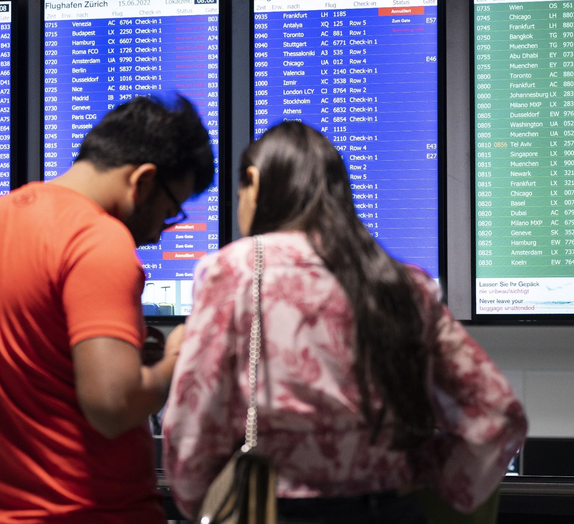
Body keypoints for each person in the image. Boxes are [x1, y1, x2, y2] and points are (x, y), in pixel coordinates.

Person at [163, 120, 527, 523]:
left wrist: (199, 500)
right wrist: (431, 476)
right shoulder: (403, 283)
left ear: (253, 180)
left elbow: (194, 423)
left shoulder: (233, 271)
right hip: (393, 510)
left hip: (277, 510)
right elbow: (498, 413)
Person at [0, 96, 214, 523]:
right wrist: (177, 360)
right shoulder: (99, 241)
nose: (159, 234)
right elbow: (111, 405)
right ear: (142, 181)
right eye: (168, 213)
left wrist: (48, 379)